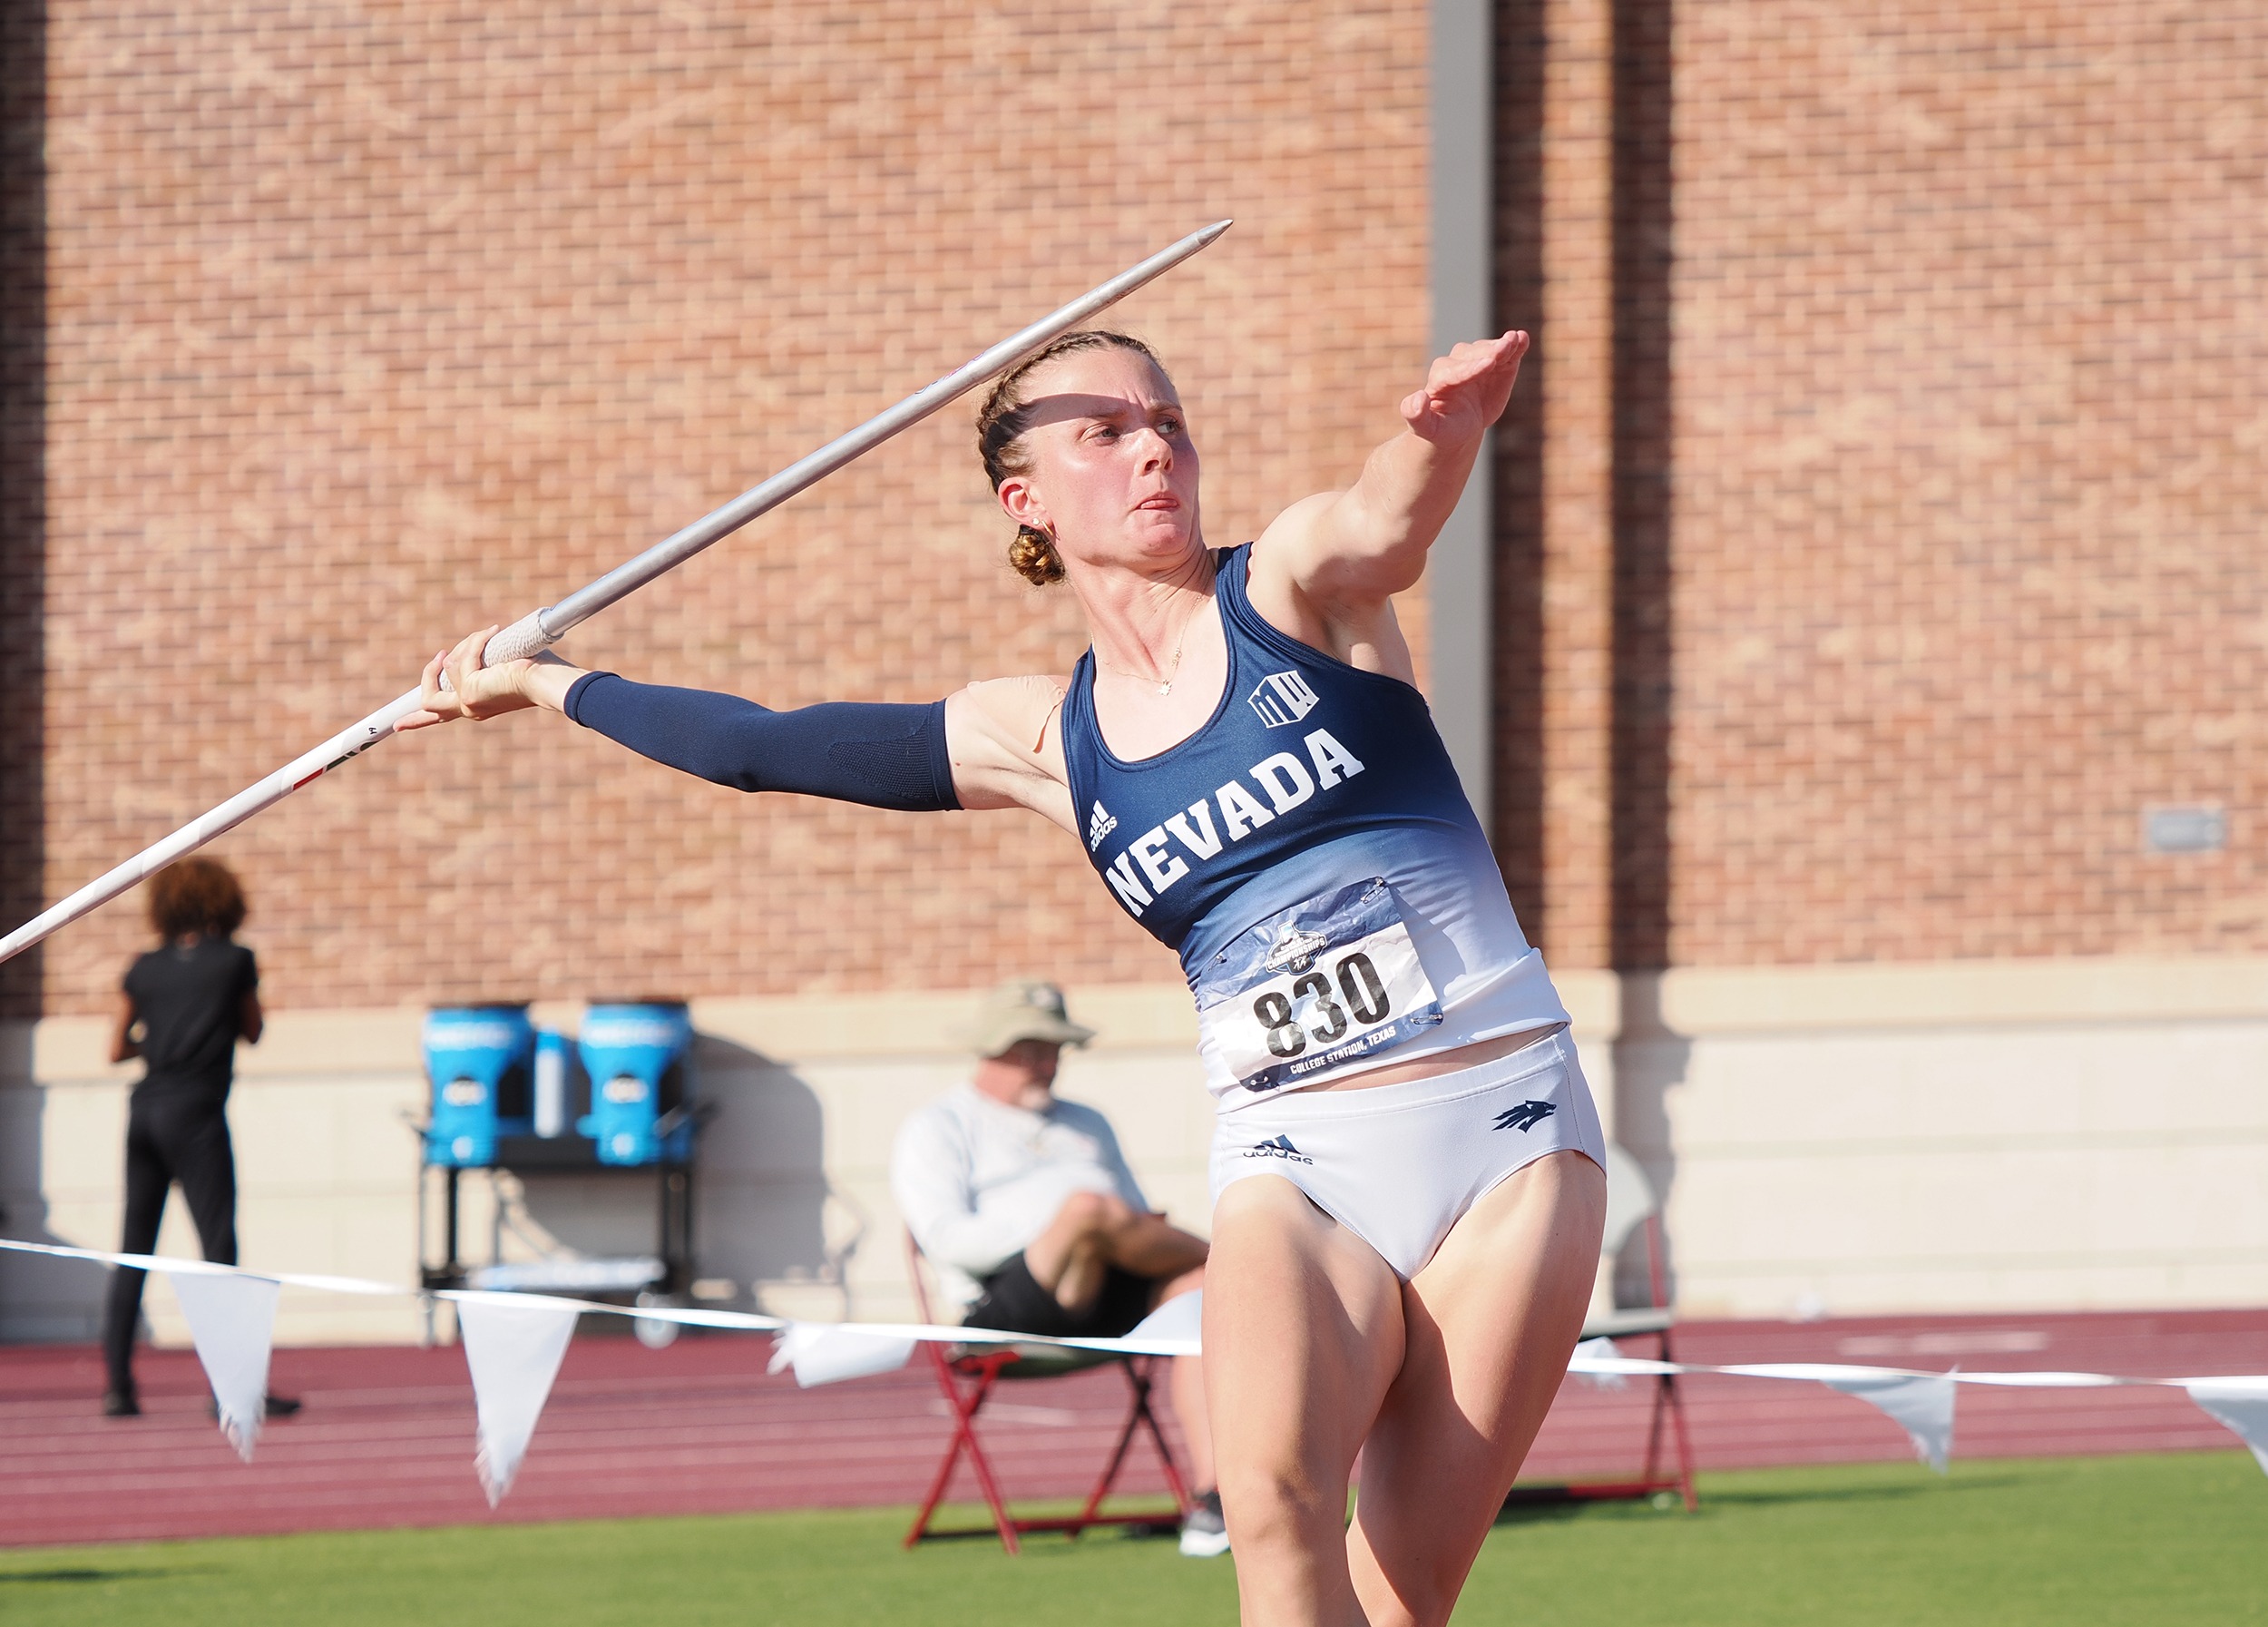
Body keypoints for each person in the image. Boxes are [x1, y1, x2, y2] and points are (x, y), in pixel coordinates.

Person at [404, 323, 1607, 1627]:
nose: (1154, 447)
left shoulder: (1291, 591)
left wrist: (1444, 434)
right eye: (1106, 431)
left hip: (1503, 1135)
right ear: (1024, 500)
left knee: (1403, 1589)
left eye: (1168, 420)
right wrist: (552, 684)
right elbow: (764, 747)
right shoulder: (1042, 735)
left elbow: (1383, 517)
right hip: (1295, 1154)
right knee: (1269, 1508)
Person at [890, 978, 1221, 1555]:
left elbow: (1135, 1218)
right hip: (1004, 1308)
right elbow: (946, 1239)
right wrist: (1059, 1226)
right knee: (1088, 1209)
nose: (1049, 1064)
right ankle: (1237, 1255)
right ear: (993, 1048)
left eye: (1055, 1050)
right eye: (1033, 1050)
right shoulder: (937, 1127)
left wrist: (1106, 1225)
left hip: (1112, 1287)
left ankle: (1215, 1500)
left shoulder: (1088, 1121)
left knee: (1201, 1291)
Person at [100, 858, 296, 1421]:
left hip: (145, 1112)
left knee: (133, 1249)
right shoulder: (234, 961)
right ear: (224, 903)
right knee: (218, 1251)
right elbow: (253, 1029)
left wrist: (161, 1043)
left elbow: (116, 1048)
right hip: (196, 1116)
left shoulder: (144, 967)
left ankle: (118, 1388)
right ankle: (230, 1391)